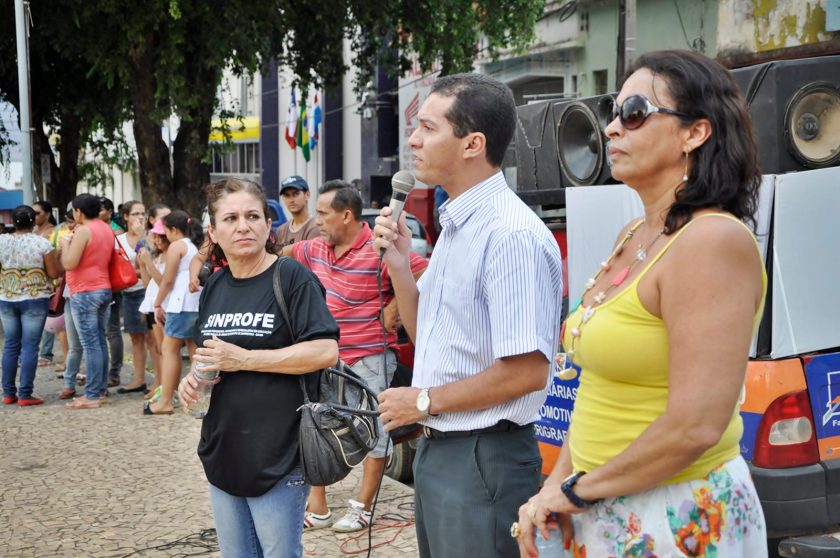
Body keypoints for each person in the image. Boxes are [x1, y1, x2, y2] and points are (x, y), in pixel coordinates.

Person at [514, 50, 768, 558]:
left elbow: (695, 426)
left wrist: (576, 492)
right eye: (613, 112)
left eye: (633, 113)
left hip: (675, 515)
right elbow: (597, 391)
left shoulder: (711, 242)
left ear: (695, 133)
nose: (611, 128)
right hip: (604, 502)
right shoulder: (633, 234)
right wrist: (554, 488)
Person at [372, 73, 564, 558]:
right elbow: (429, 338)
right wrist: (400, 267)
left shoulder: (510, 235)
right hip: (442, 446)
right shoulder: (459, 224)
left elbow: (526, 371)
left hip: (484, 455)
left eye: (428, 128)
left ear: (473, 144)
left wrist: (423, 401)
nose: (413, 141)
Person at [177, 177, 339, 558]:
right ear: (213, 233)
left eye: (252, 216)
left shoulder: (291, 277)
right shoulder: (215, 285)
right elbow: (211, 353)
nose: (243, 226)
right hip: (224, 449)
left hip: (278, 453)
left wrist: (245, 359)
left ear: (268, 226)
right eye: (230, 218)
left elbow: (325, 351)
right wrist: (193, 379)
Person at [286, 180, 427, 533]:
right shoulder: (315, 249)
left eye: (323, 214)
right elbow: (280, 254)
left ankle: (363, 507)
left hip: (370, 356)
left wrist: (394, 308)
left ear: (347, 215)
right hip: (325, 357)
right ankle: (317, 507)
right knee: (316, 426)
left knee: (374, 430)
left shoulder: (378, 248)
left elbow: (426, 270)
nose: (317, 221)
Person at [0, 205, 63, 406]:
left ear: (13, 222)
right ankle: (25, 394)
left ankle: (8, 393)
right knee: (30, 346)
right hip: (35, 299)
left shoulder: (1, 241)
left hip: (7, 298)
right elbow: (54, 273)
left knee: (11, 344)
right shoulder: (42, 243)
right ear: (33, 222)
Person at [145, 210, 203, 415]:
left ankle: (166, 400)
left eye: (166, 231)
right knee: (194, 350)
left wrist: (157, 303)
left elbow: (168, 280)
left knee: (169, 349)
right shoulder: (192, 245)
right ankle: (197, 398)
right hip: (195, 303)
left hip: (181, 303)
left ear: (174, 230)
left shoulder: (177, 246)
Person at [60, 194, 114, 409]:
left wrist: (65, 244)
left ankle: (92, 395)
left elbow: (69, 263)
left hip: (85, 291)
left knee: (91, 344)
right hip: (103, 288)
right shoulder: (105, 228)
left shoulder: (83, 230)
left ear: (79, 212)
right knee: (99, 342)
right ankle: (99, 390)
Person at [115, 201, 153, 394]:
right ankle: (139, 379)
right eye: (135, 213)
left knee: (152, 339)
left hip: (148, 291)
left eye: (142, 213)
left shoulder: (151, 237)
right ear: (125, 216)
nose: (140, 217)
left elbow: (153, 263)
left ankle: (159, 381)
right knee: (136, 338)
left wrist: (142, 235)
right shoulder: (118, 239)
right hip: (129, 293)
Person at [137, 219, 169, 400]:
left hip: (163, 306)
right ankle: (161, 384)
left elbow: (164, 283)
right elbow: (147, 283)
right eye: (154, 236)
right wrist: (143, 264)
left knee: (165, 349)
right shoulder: (157, 257)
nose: (155, 240)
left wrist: (148, 263)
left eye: (158, 237)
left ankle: (166, 388)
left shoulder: (170, 256)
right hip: (152, 305)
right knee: (158, 348)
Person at [33, 200, 59, 367]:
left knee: (48, 317)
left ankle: (46, 353)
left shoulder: (54, 232)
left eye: (38, 213)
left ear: (48, 214)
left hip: (51, 279)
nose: (34, 216)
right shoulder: (32, 231)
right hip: (34, 281)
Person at [275, 175, 319, 249]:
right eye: (287, 195)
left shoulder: (316, 227)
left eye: (295, 194)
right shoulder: (280, 231)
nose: (291, 200)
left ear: (307, 195)